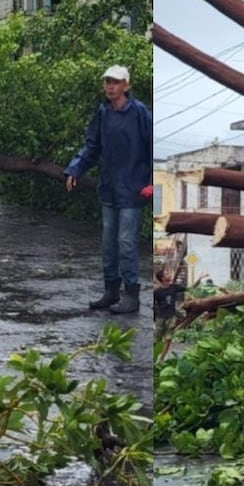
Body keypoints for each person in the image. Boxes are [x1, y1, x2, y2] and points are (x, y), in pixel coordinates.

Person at [65, 64, 154, 314]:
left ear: (126, 85)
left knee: (125, 242)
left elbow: (151, 147)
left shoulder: (139, 113)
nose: (110, 86)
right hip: (109, 188)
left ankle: (132, 295)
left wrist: (151, 182)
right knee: (108, 243)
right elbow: (91, 146)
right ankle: (111, 290)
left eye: (115, 82)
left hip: (134, 188)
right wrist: (75, 169)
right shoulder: (103, 113)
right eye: (107, 82)